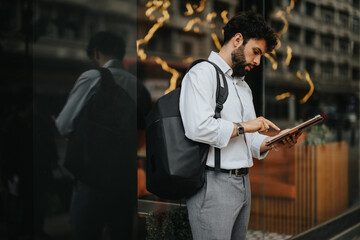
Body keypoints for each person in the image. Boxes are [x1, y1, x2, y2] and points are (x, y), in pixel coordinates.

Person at [179, 11, 302, 240]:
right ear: (237, 40)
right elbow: (198, 127)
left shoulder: (243, 87)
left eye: (260, 55)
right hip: (213, 183)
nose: (257, 61)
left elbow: (251, 141)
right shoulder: (202, 73)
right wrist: (246, 126)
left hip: (243, 183)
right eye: (255, 52)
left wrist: (275, 141)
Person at [55, 31, 139, 240]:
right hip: (125, 180)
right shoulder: (138, 85)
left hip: (92, 178)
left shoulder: (92, 78)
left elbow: (64, 125)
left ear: (95, 52)